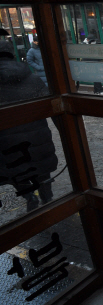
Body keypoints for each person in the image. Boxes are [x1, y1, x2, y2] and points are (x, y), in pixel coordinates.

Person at [1, 40, 56, 212]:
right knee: (42, 170)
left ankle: (29, 196)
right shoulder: (32, 79)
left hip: (7, 141)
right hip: (37, 139)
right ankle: (47, 198)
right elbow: (50, 107)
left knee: (16, 171)